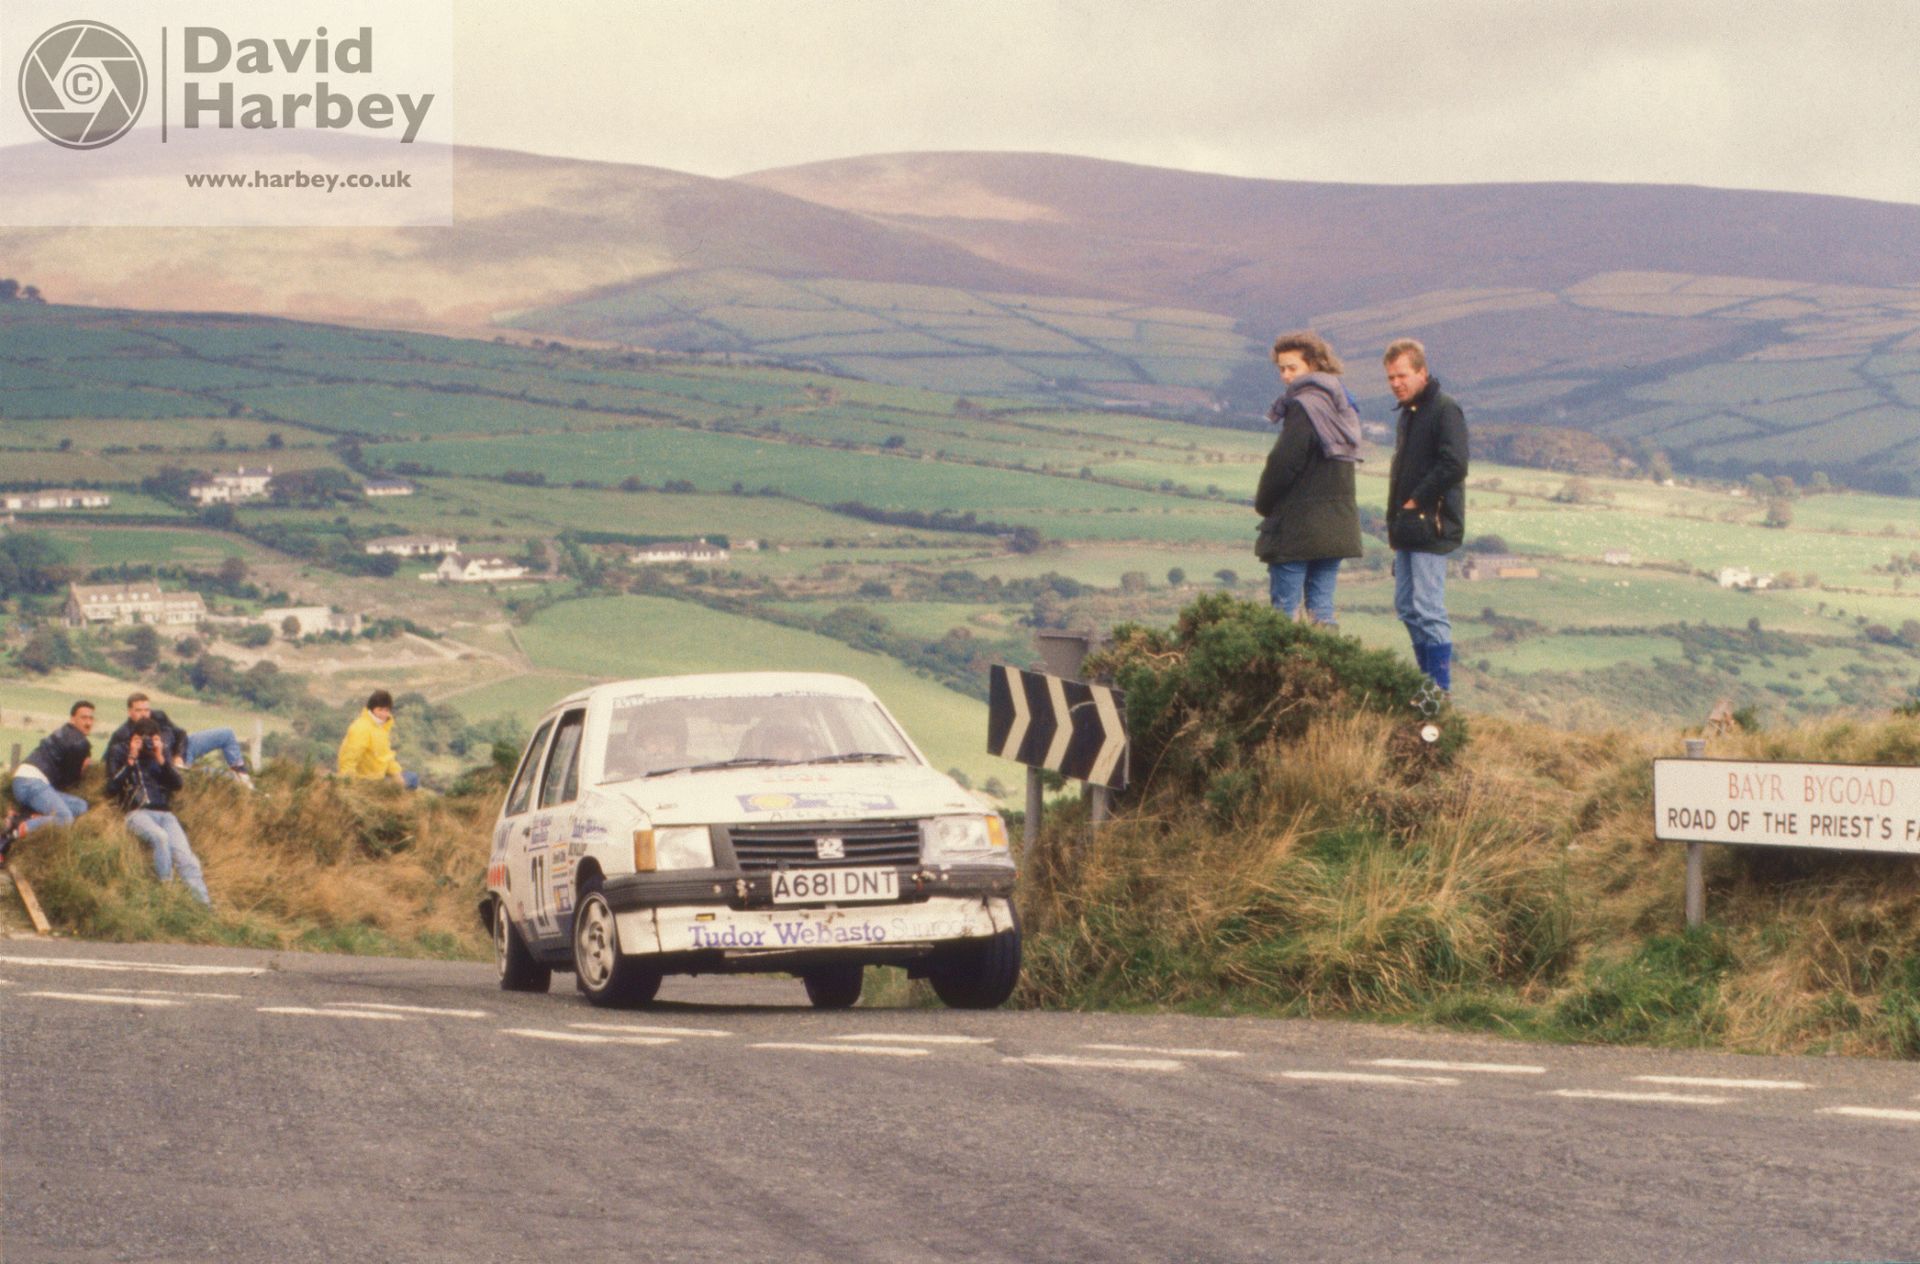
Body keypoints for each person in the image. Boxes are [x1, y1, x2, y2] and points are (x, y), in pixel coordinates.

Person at [1254, 331, 1363, 627]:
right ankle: (1325, 672)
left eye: (1292, 368)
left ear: (1313, 366)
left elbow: (1284, 463)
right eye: (1281, 368)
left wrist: (1263, 503)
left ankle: (1287, 672)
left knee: (1284, 616)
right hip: (1336, 525)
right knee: (1322, 613)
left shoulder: (1304, 405)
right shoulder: (1341, 402)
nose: (1286, 376)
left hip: (1298, 526)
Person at [1383, 338, 1469, 690]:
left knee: (1428, 609)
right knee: (1407, 605)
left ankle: (1439, 694)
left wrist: (1416, 501)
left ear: (1422, 372)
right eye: (1390, 378)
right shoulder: (1409, 414)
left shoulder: (1444, 409)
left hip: (1430, 527)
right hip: (1407, 528)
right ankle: (1427, 686)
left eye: (1402, 375)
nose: (1395, 383)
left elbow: (1455, 464)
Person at [108, 717, 210, 905]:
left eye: (151, 739)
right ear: (134, 737)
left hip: (165, 814)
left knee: (187, 859)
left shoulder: (159, 756)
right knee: (160, 837)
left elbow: (177, 784)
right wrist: (131, 758)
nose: (147, 744)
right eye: (143, 739)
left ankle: (205, 908)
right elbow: (111, 788)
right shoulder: (120, 751)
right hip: (136, 813)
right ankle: (166, 892)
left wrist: (162, 758)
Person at [106, 693, 252, 788]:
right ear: (129, 711)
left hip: (183, 749)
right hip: (169, 765)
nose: (144, 714)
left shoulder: (158, 716)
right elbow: (109, 760)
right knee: (217, 776)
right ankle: (239, 783)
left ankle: (242, 775)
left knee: (226, 733)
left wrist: (179, 755)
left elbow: (180, 733)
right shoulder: (122, 734)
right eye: (139, 710)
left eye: (146, 709)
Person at [4, 700, 96, 850]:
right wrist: (83, 769)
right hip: (31, 782)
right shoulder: (79, 743)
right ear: (72, 719)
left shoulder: (64, 731)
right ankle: (14, 831)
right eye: (83, 718)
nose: (88, 722)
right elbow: (68, 782)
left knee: (80, 806)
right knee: (65, 819)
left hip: (29, 780)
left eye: (91, 718)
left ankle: (26, 816)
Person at [338, 690, 419, 789]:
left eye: (387, 710)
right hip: (367, 780)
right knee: (412, 779)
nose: (384, 714)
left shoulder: (380, 728)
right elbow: (348, 760)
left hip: (378, 775)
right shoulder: (361, 728)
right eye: (380, 710)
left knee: (413, 777)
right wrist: (349, 785)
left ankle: (398, 795)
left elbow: (386, 757)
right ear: (372, 709)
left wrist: (396, 775)